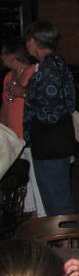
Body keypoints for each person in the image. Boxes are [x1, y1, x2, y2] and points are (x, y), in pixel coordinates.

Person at [19, 20, 76, 216]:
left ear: (33, 41)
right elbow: (67, 103)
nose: (27, 46)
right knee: (58, 196)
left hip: (50, 141)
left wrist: (24, 94)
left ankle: (67, 234)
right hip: (57, 138)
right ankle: (67, 233)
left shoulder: (47, 67)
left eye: (27, 41)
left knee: (55, 199)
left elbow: (52, 110)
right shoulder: (57, 62)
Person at [0, 37, 46, 217]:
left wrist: (24, 93)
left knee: (36, 179)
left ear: (12, 56)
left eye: (3, 53)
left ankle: (41, 218)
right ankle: (31, 215)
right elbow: (5, 107)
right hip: (14, 138)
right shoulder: (8, 77)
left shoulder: (34, 73)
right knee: (23, 181)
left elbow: (43, 101)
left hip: (32, 135)